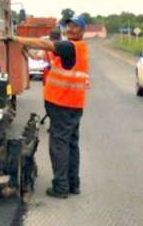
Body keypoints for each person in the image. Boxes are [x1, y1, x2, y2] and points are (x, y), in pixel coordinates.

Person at [15, 16, 89, 199]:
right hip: (74, 104)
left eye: (75, 27)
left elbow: (44, 45)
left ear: (82, 31)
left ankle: (61, 186)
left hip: (62, 104)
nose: (70, 29)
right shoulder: (80, 48)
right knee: (71, 144)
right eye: (68, 26)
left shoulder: (69, 46)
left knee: (59, 144)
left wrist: (18, 39)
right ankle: (73, 184)